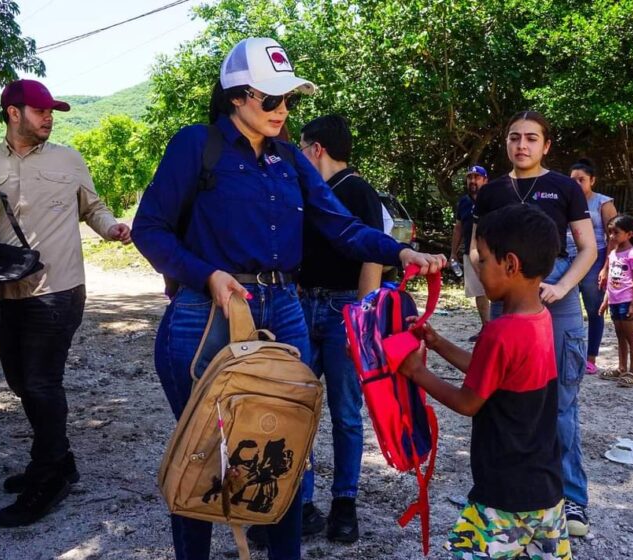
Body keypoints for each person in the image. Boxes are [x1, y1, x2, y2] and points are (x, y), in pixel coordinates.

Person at [130, 37, 445, 560]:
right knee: (203, 452)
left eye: (288, 100)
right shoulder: (196, 145)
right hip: (205, 313)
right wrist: (207, 274)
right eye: (270, 99)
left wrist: (399, 252)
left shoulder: (290, 161)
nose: (282, 111)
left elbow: (340, 228)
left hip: (283, 309)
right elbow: (151, 230)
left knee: (286, 447)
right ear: (236, 96)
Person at [0, 79, 132, 527]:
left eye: (52, 112)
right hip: (5, 293)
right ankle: (57, 459)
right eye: (41, 110)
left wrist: (112, 228)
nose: (49, 118)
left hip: (59, 289)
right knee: (20, 382)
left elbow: (94, 207)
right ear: (13, 112)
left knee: (42, 382)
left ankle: (50, 477)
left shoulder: (70, 159)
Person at [399, 204, 571, 560]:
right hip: (545, 489)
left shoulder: (500, 332)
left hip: (503, 494)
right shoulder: (540, 318)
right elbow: (491, 373)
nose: (476, 268)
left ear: (510, 264)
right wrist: (438, 343)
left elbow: (468, 402)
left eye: (482, 260)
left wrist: (417, 372)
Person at [471, 111, 596, 536]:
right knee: (508, 404)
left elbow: (587, 248)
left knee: (560, 406)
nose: (521, 145)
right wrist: (492, 285)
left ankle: (573, 500)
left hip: (555, 305)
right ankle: (509, 495)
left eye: (531, 138)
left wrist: (560, 288)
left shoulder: (564, 187)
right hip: (510, 305)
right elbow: (476, 250)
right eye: (514, 138)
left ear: (546, 145)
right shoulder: (490, 193)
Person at [296, 114, 382, 543]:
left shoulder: (358, 191)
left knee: (346, 413)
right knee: (298, 409)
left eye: (301, 146)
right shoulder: (306, 190)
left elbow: (372, 257)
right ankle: (302, 501)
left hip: (343, 308)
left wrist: (364, 318)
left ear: (317, 149)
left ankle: (344, 502)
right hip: (301, 304)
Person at [567, 159, 617, 374]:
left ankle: (591, 357)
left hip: (595, 259)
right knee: (566, 309)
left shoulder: (603, 203)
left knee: (594, 308)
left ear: (592, 181)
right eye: (573, 180)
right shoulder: (564, 201)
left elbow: (614, 236)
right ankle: (566, 355)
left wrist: (607, 265)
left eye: (582, 180)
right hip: (567, 258)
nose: (577, 184)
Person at [598, 215, 633, 387]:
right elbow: (610, 279)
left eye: (616, 232)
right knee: (620, 335)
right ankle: (622, 367)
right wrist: (606, 300)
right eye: (610, 232)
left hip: (626, 300)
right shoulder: (613, 253)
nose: (611, 236)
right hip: (615, 301)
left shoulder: (632, 254)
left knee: (631, 336)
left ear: (629, 234)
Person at [450, 165, 490, 342]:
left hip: (492, 253)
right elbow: (458, 228)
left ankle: (500, 328)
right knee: (478, 292)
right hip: (469, 252)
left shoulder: (492, 199)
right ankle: (486, 328)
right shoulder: (463, 202)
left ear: (485, 180)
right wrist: (453, 252)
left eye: (477, 177)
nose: (473, 181)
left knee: (498, 290)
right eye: (470, 177)